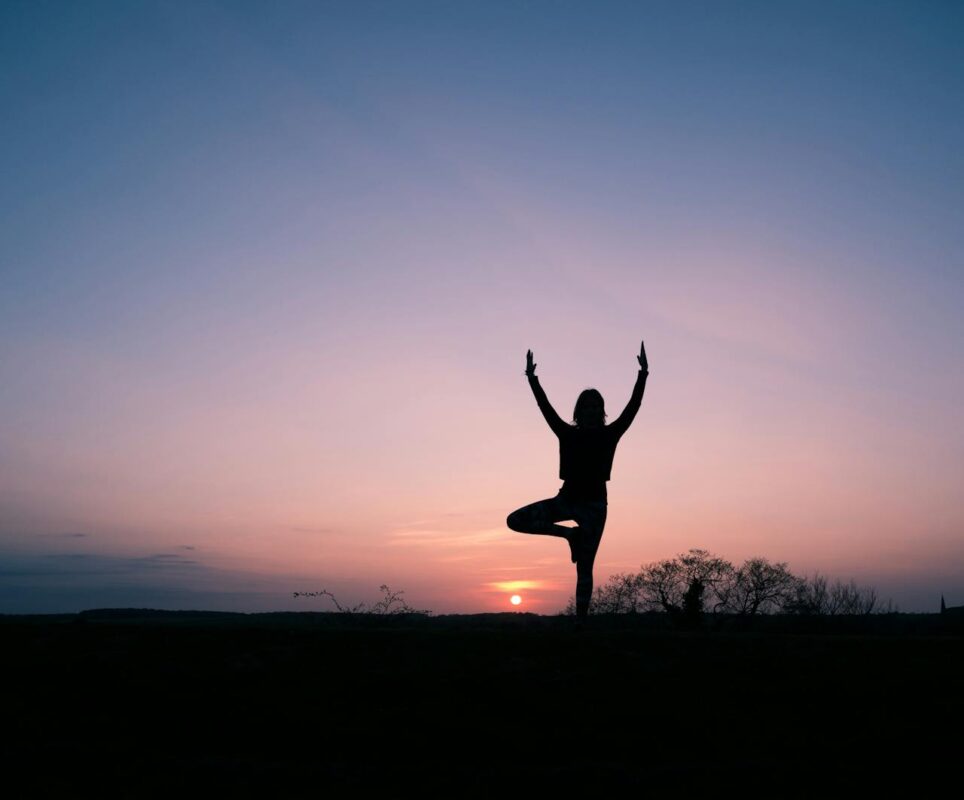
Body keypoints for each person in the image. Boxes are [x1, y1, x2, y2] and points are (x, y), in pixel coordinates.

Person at [506, 340, 649, 619]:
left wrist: (643, 373)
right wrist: (532, 378)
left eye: (596, 407)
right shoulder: (566, 433)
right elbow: (544, 407)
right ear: (579, 411)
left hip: (595, 507)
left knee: (584, 568)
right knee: (516, 520)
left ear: (602, 411)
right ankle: (570, 535)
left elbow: (634, 406)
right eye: (586, 407)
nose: (592, 411)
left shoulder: (611, 434)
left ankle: (580, 627)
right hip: (567, 500)